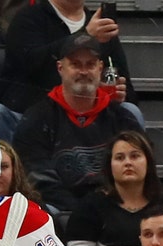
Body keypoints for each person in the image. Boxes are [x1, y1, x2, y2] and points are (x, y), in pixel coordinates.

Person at [12, 33, 143, 215]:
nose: (83, 72)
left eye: (90, 64)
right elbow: (37, 178)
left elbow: (139, 170)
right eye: (75, 64)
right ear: (60, 68)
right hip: (59, 210)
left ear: (100, 68)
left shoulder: (123, 118)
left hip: (112, 207)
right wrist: (82, 211)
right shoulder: (36, 118)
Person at [0, 0, 139, 142]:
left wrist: (119, 92)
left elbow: (128, 89)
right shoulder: (27, 17)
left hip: (91, 119)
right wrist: (86, 35)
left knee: (131, 111)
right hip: (33, 117)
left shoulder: (101, 26)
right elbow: (31, 66)